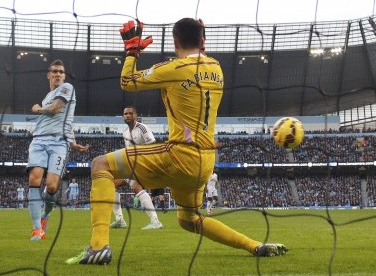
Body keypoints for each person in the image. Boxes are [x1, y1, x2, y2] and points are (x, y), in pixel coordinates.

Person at [66, 18, 287, 265]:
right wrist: (200, 39)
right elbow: (199, 63)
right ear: (203, 41)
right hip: (205, 162)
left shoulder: (175, 69)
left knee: (100, 165)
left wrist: (132, 52)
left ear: (175, 42)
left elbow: (127, 81)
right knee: (189, 220)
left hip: (180, 154)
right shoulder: (217, 67)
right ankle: (254, 246)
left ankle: (98, 247)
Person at [27, 59, 89, 241]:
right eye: (54, 71)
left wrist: (38, 109)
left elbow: (55, 110)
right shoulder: (47, 96)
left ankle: (45, 215)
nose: (58, 75)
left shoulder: (67, 88)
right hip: (38, 141)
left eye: (61, 72)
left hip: (58, 144)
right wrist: (74, 142)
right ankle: (37, 229)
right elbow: (67, 122)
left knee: (52, 186)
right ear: (48, 75)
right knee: (34, 178)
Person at [110, 106, 163, 230]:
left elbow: (152, 146)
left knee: (135, 187)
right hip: (132, 166)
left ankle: (155, 221)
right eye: (125, 114)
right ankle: (120, 220)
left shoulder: (142, 128)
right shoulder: (125, 133)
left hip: (144, 164)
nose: (127, 115)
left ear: (135, 115)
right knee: (112, 184)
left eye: (130, 113)